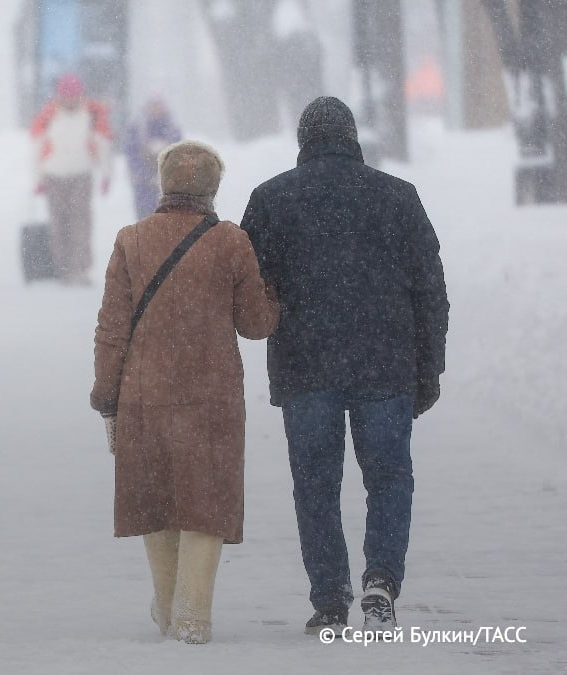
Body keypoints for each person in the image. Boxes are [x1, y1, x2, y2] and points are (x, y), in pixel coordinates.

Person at [239, 96, 449, 635]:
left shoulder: (271, 200)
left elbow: (246, 289)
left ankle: (331, 597)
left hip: (306, 365)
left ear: (303, 140)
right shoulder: (399, 198)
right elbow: (430, 292)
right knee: (388, 477)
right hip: (386, 364)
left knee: (314, 483)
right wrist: (429, 370)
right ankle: (381, 580)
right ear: (353, 137)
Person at [92, 141, 279, 644]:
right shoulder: (231, 242)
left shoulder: (131, 240)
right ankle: (193, 613)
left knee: (157, 499)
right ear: (213, 188)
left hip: (144, 393)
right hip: (210, 396)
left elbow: (112, 329)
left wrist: (106, 396)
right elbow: (256, 324)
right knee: (205, 500)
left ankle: (167, 603)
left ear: (163, 183)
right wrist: (277, 294)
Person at [30, 73, 113, 284]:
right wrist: (37, 179)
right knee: (58, 223)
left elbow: (103, 145)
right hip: (53, 175)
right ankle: (63, 268)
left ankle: (80, 268)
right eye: (66, 94)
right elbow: (37, 148)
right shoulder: (48, 115)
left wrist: (106, 175)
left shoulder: (91, 114)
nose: (70, 99)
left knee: (80, 222)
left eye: (73, 94)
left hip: (81, 174)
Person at [123, 98, 182, 218]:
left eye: (158, 105)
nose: (155, 109)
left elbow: (179, 156)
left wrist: (163, 177)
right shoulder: (136, 129)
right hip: (142, 187)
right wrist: (144, 176)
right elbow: (131, 154)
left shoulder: (173, 130)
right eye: (152, 105)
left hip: (167, 187)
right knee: (145, 220)